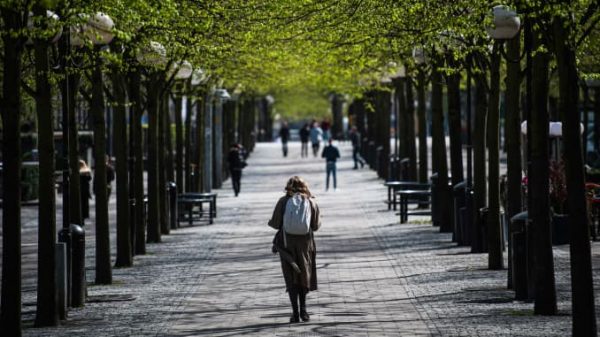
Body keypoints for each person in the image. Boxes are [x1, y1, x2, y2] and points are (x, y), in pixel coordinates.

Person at [269, 176, 321, 323]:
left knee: (291, 277)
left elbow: (275, 223)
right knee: (304, 275)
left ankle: (295, 313)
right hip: (306, 245)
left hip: (287, 245)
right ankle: (304, 311)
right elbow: (316, 226)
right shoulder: (311, 201)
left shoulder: (283, 201)